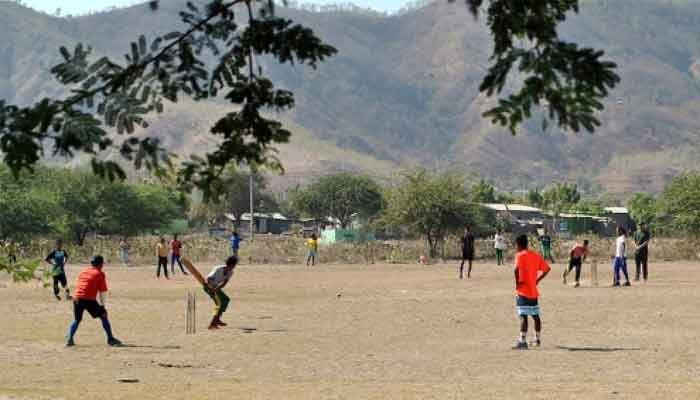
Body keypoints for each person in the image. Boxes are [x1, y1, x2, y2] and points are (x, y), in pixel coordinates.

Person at [66, 255, 122, 347]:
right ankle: (110, 339)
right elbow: (102, 292)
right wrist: (103, 306)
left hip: (77, 298)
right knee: (103, 315)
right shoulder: (99, 274)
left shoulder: (83, 272)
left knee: (77, 319)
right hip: (88, 299)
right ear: (101, 264)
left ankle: (69, 339)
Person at [513, 234, 551, 350]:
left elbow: (516, 270)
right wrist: (537, 280)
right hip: (533, 291)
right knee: (535, 316)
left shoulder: (519, 255)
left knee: (523, 316)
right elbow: (547, 269)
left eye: (516, 245)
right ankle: (537, 339)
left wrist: (517, 283)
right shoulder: (535, 255)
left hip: (523, 291)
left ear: (519, 245)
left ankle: (522, 341)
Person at [204, 256, 238, 330]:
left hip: (215, 288)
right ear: (230, 264)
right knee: (220, 303)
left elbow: (224, 283)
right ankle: (212, 324)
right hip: (208, 287)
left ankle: (217, 319)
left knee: (226, 300)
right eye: (234, 265)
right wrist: (211, 288)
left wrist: (216, 289)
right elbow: (208, 279)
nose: (234, 267)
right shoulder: (218, 269)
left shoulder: (231, 272)